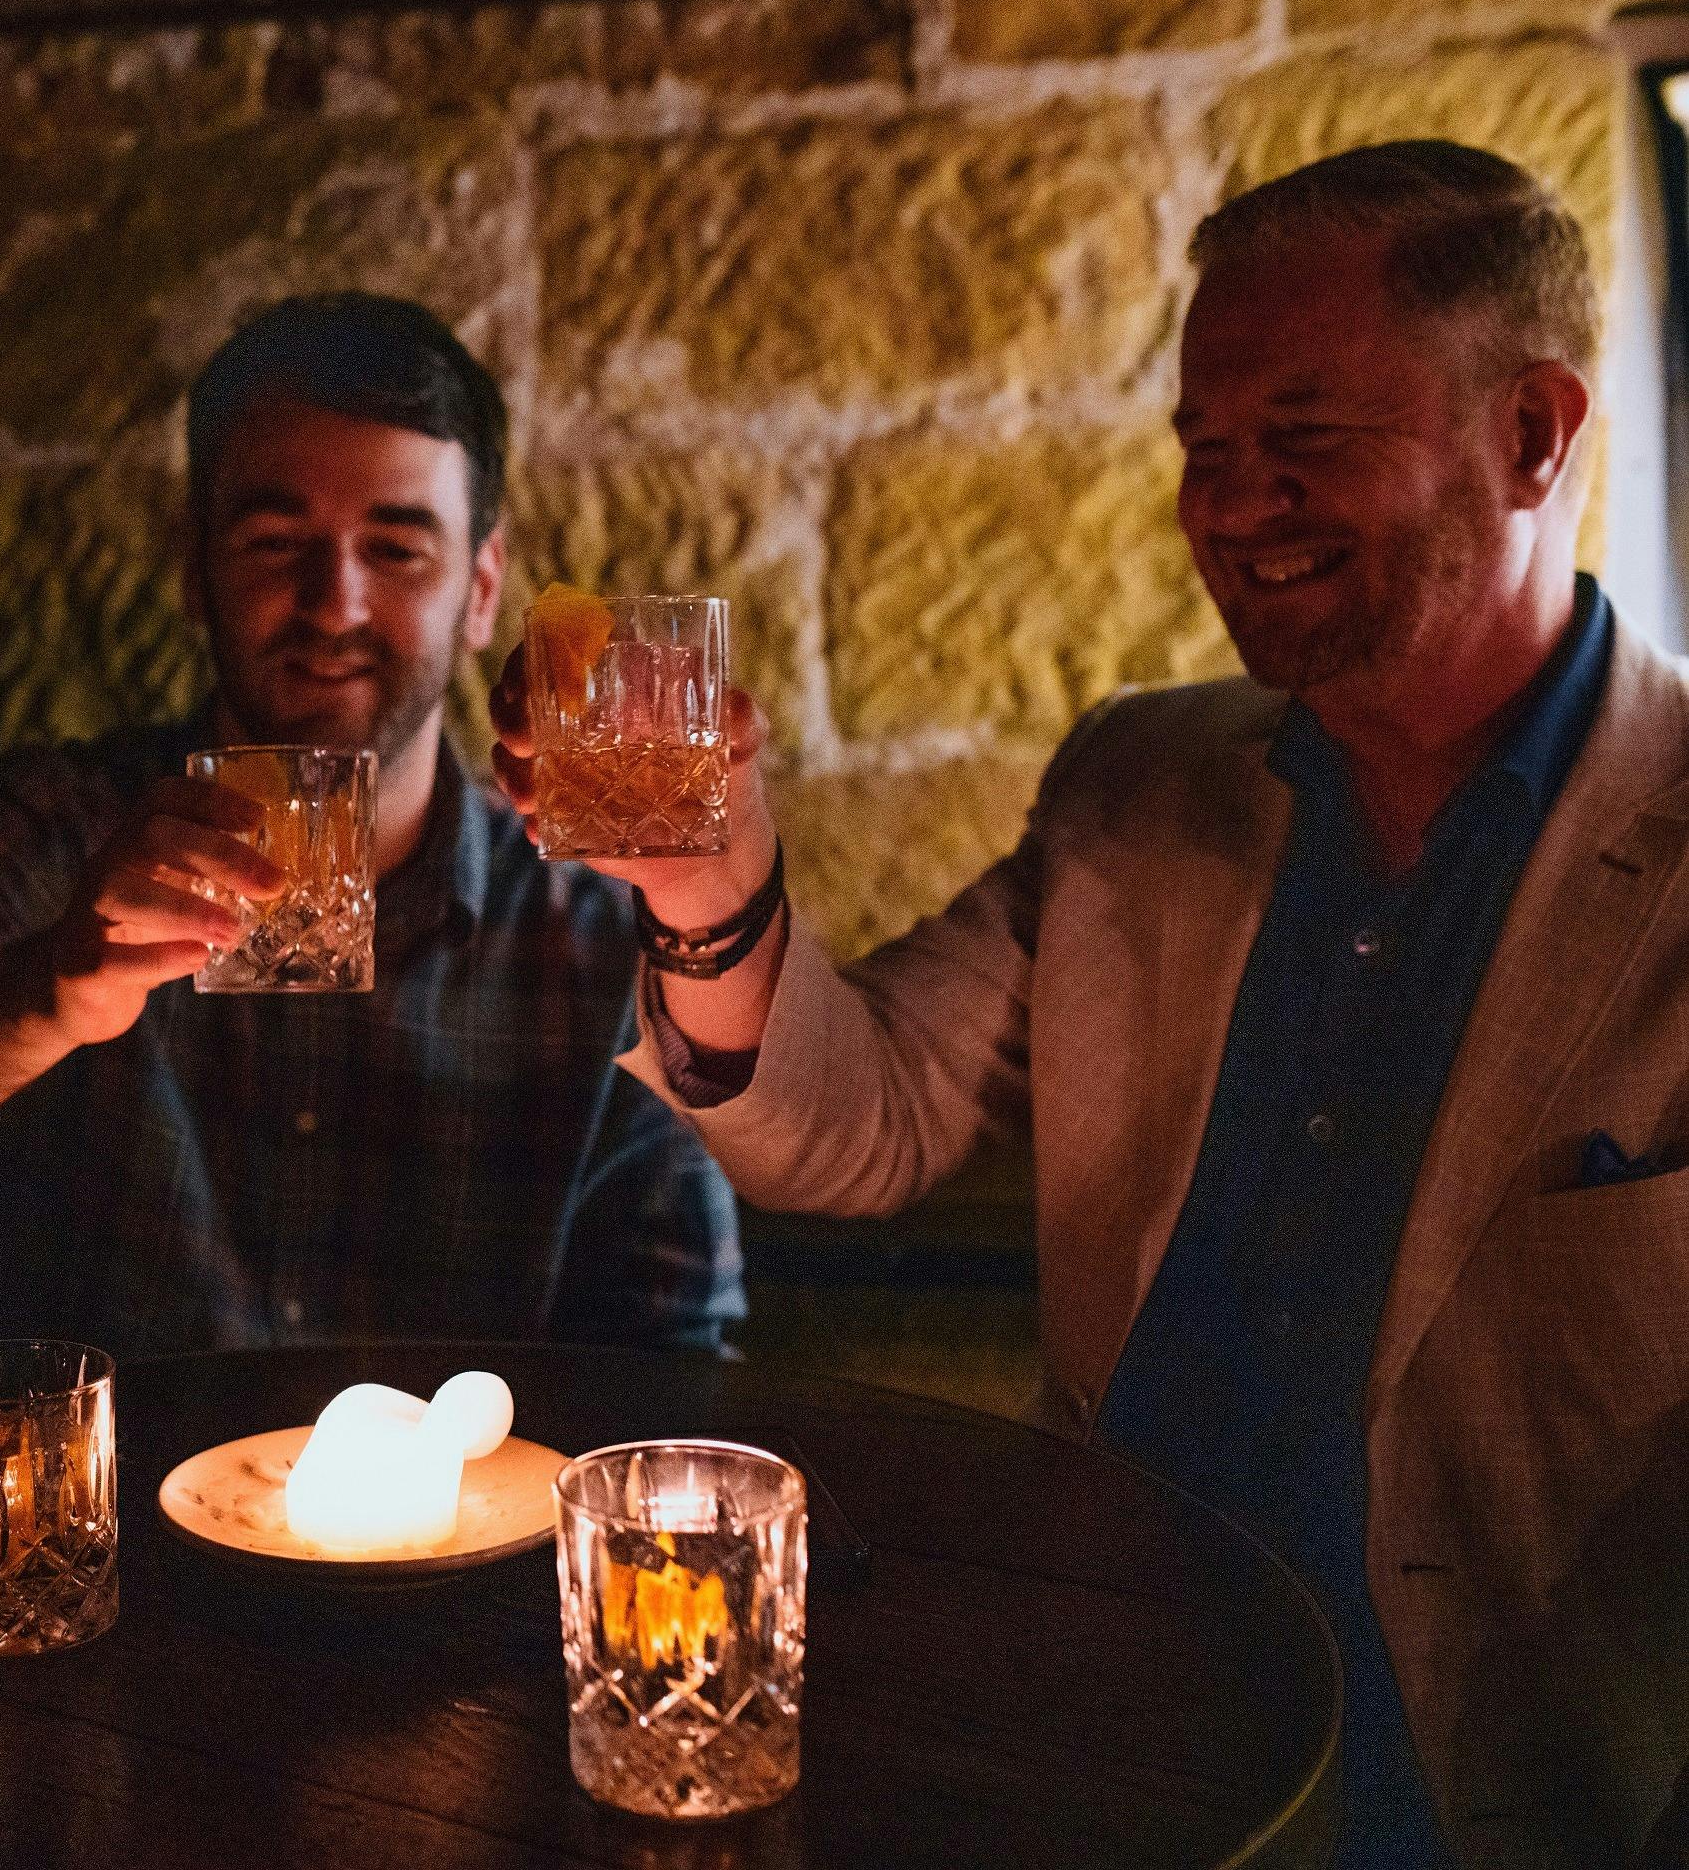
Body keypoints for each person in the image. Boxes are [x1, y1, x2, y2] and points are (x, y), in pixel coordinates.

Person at [496, 140, 1689, 1865]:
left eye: (1304, 440)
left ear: (1530, 434)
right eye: (1204, 452)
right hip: (1105, 1740)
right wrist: (709, 880)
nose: (1230, 501)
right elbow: (866, 1119)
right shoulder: (1139, 780)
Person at [0, 293, 740, 1357]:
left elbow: (680, 1360)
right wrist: (43, 995)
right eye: (278, 542)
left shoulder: (599, 941)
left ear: (482, 587)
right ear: (196, 568)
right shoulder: (48, 836)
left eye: (398, 548)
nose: (336, 605)